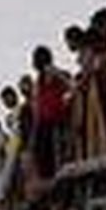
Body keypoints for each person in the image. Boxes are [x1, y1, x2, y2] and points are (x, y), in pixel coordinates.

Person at [31, 45, 72, 182]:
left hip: (54, 117)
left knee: (53, 151)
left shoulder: (52, 71)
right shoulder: (39, 78)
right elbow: (37, 100)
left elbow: (70, 84)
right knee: (42, 152)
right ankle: (49, 179)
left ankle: (55, 179)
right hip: (44, 118)